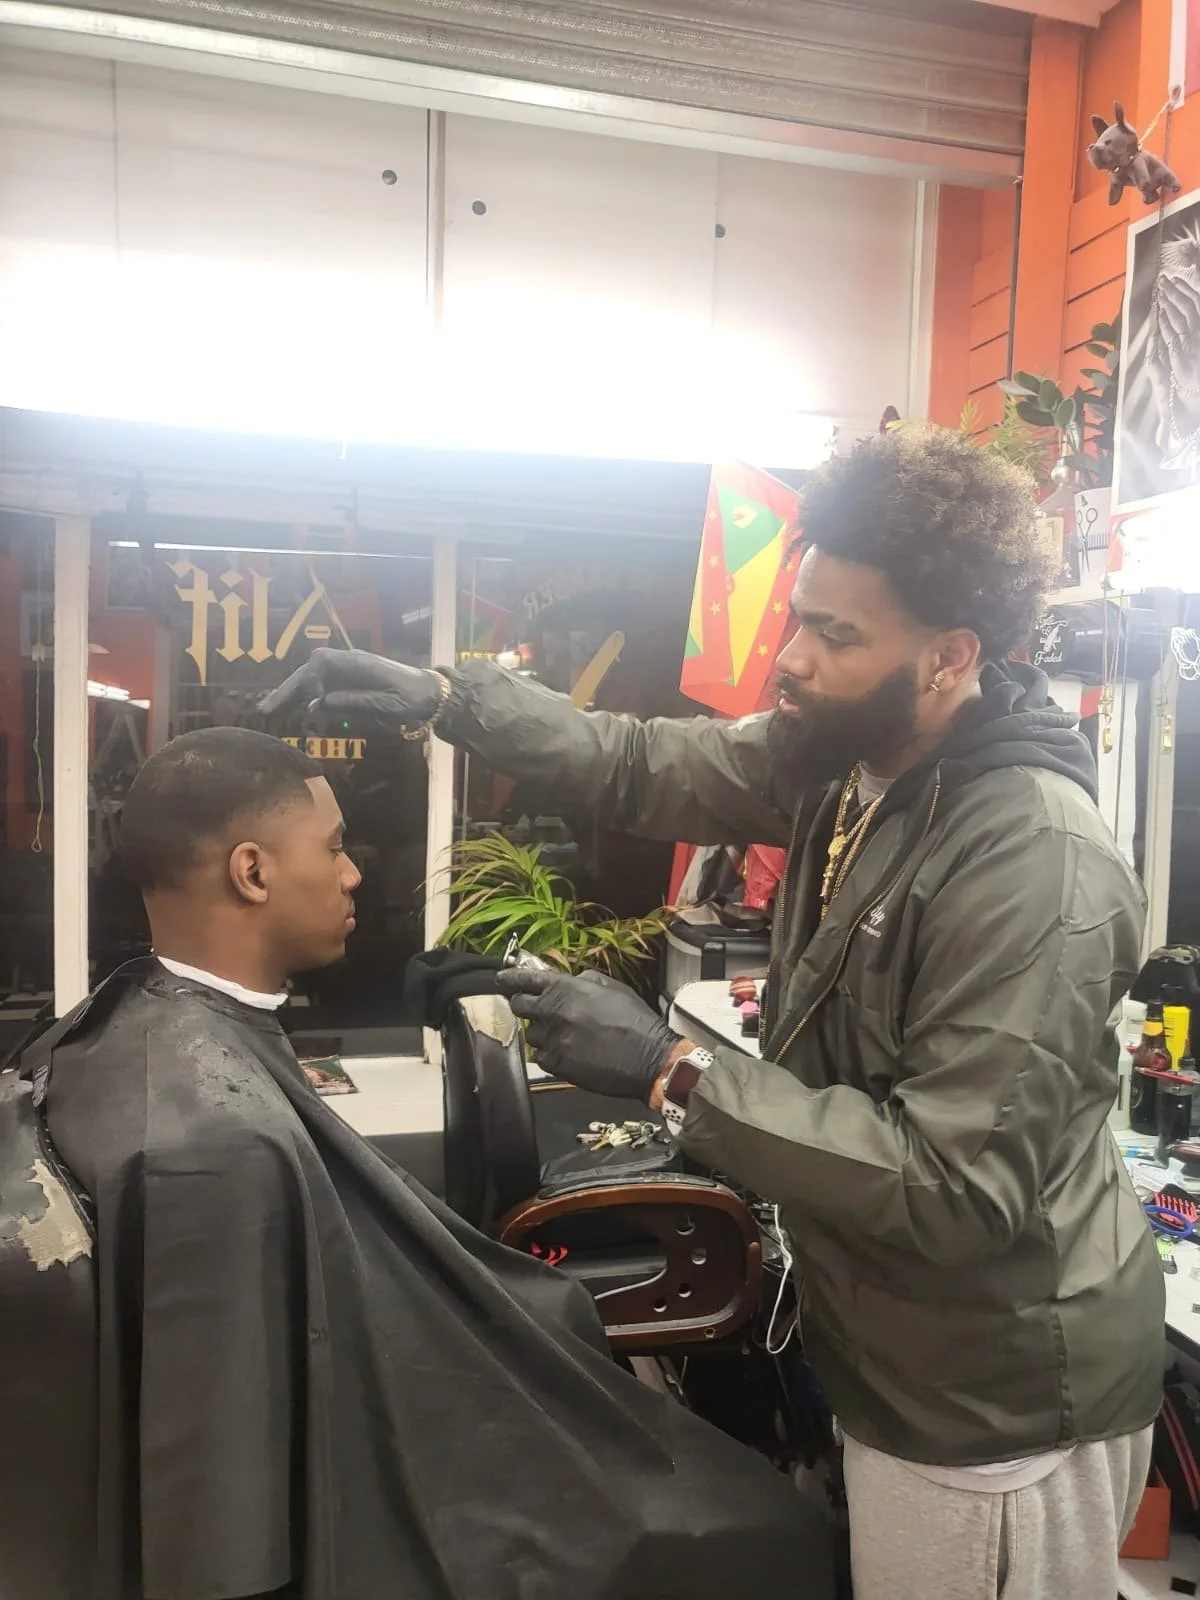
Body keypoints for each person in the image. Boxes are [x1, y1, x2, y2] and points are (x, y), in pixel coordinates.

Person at [262, 428, 1166, 1600]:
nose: (788, 660)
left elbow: (955, 1188)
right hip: (893, 1346)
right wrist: (447, 699)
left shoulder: (1032, 858)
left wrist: (671, 1071)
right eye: (799, 616)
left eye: (834, 635)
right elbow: (641, 762)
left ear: (950, 657)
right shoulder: (851, 762)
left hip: (991, 1401)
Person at [30, 727, 831, 1600]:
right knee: (764, 1533)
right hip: (391, 1492)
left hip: (389, 1398)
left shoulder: (113, 1030)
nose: (353, 874)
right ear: (252, 872)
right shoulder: (209, 1153)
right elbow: (217, 1520)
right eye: (335, 850)